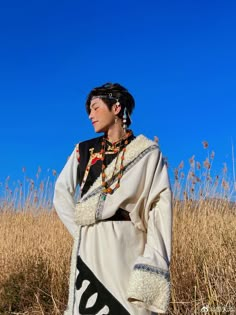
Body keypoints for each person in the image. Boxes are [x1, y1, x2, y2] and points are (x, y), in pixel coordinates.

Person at [53, 82, 173, 315]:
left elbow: (159, 208)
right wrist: (80, 231)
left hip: (129, 242)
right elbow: (61, 193)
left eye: (95, 107)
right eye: (89, 110)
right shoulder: (83, 150)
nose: (90, 115)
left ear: (116, 107)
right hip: (90, 243)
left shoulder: (148, 153)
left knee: (129, 307)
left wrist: (153, 258)